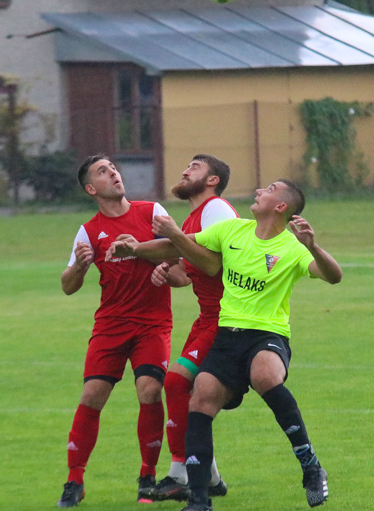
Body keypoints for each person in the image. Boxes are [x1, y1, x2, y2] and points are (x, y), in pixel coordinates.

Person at [114, 179, 342, 510]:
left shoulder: (292, 248)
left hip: (267, 334)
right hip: (226, 336)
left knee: (265, 376)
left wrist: (313, 247)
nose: (260, 190)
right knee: (200, 400)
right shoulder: (232, 231)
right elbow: (177, 246)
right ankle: (200, 500)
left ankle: (310, 465)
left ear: (280, 206)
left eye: (270, 188)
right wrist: (135, 248)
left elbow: (333, 276)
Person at [58, 154, 173, 508]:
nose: (114, 173)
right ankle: (74, 481)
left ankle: (147, 478)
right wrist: (79, 266)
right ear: (92, 188)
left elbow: (181, 249)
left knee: (149, 390)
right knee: (92, 395)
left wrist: (159, 264)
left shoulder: (152, 212)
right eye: (103, 172)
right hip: (110, 325)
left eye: (113, 168)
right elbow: (67, 285)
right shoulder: (89, 230)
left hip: (152, 323)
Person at [122, 154, 238, 502]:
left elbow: (214, 265)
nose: (186, 170)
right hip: (206, 318)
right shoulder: (193, 219)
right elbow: (186, 269)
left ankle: (180, 473)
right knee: (184, 390)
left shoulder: (216, 209)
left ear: (213, 179)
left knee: (175, 383)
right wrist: (156, 265)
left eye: (195, 167)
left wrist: (154, 245)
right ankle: (209, 474)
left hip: (226, 318)